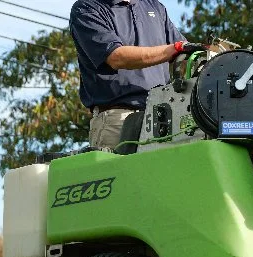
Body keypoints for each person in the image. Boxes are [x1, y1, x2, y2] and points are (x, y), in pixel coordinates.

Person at [70, 0, 205, 150]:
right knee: (121, 173)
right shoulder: (87, 7)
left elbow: (187, 56)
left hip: (162, 117)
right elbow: (116, 57)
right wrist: (174, 49)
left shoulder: (155, 7)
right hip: (116, 120)